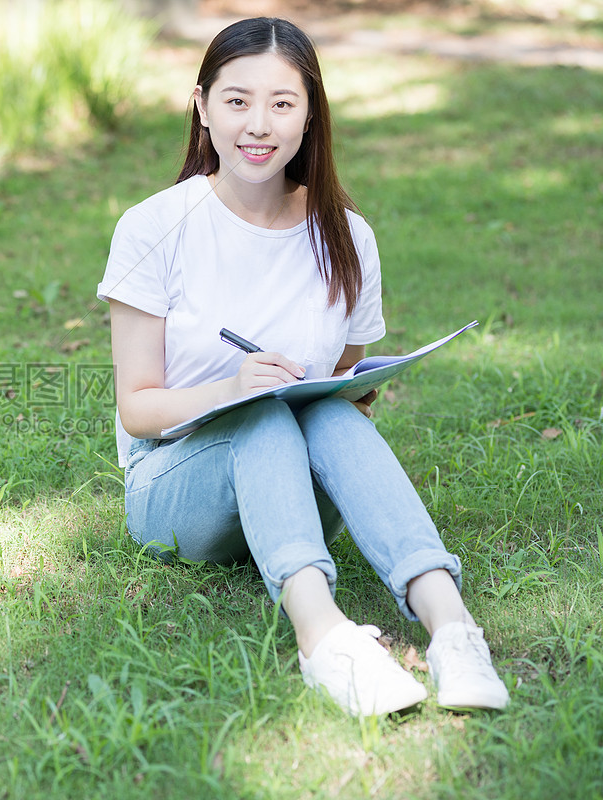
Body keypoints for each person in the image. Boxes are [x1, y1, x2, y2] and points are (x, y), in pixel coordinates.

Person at [96, 17, 509, 717]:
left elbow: (345, 373)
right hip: (173, 488)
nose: (259, 124)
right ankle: (325, 640)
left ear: (311, 113)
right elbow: (138, 407)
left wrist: (340, 393)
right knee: (260, 412)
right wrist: (230, 387)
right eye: (236, 100)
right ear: (201, 107)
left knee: (324, 409)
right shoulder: (153, 226)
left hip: (295, 491)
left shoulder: (345, 234)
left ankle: (452, 628)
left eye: (282, 103)